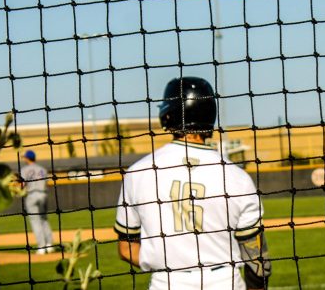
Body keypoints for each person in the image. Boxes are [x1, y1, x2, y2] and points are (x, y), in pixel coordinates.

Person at [114, 77, 271, 289]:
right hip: (224, 282)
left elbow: (126, 249)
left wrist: (158, 260)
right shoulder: (237, 177)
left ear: (168, 114)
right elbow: (257, 258)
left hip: (167, 282)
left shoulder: (138, 172)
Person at [21, 150, 54, 255]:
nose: (24, 159)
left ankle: (41, 247)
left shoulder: (24, 169)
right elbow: (46, 183)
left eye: (25, 157)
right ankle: (49, 245)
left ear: (27, 158)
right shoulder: (42, 169)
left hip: (31, 195)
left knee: (35, 221)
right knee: (44, 219)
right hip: (43, 194)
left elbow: (22, 185)